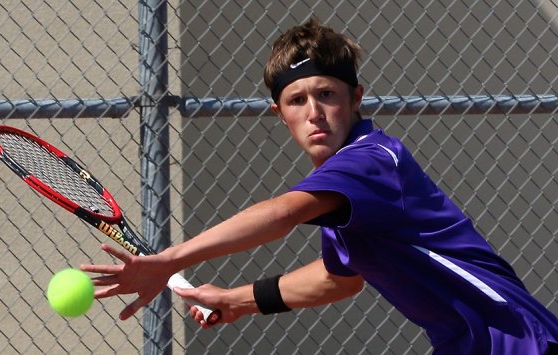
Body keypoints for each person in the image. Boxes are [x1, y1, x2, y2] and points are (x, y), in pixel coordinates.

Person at [80, 18, 558, 354]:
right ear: (279, 113)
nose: (314, 111)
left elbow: (282, 213)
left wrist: (169, 261)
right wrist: (237, 300)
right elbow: (339, 278)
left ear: (355, 99)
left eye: (327, 94)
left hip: (517, 343)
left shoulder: (371, 161)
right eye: (297, 99)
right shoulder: (343, 195)